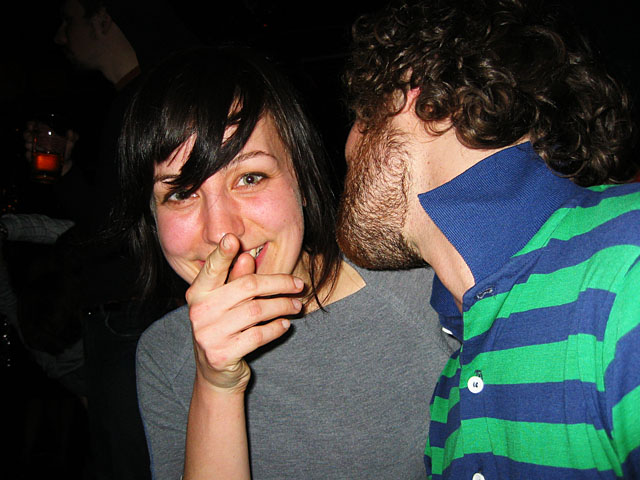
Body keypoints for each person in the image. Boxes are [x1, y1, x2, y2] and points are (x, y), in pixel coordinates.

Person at [116, 46, 457, 479]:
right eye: (182, 193)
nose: (222, 232)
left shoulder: (428, 294)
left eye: (249, 177)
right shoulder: (164, 356)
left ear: (300, 172)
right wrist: (216, 388)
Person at [336, 0, 640, 478]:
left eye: (359, 116)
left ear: (420, 93)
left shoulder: (627, 262)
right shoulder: (454, 386)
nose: (349, 148)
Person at [21, 1, 198, 478]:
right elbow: (118, 221)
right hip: (137, 312)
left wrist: (56, 255)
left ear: (104, 18)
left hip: (132, 317)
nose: (60, 36)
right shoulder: (137, 98)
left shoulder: (148, 101)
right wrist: (70, 174)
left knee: (132, 462)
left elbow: (111, 236)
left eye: (69, 19)